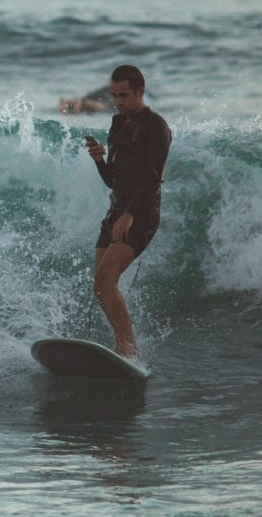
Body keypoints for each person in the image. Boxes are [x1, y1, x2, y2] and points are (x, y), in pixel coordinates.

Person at [85, 65, 170, 358]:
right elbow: (113, 180)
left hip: (141, 213)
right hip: (116, 212)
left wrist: (130, 215)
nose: (118, 101)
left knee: (105, 280)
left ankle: (127, 348)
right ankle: (122, 345)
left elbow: (154, 176)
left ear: (140, 92)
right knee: (100, 285)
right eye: (114, 96)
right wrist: (99, 160)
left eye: (124, 95)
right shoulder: (118, 124)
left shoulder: (156, 126)